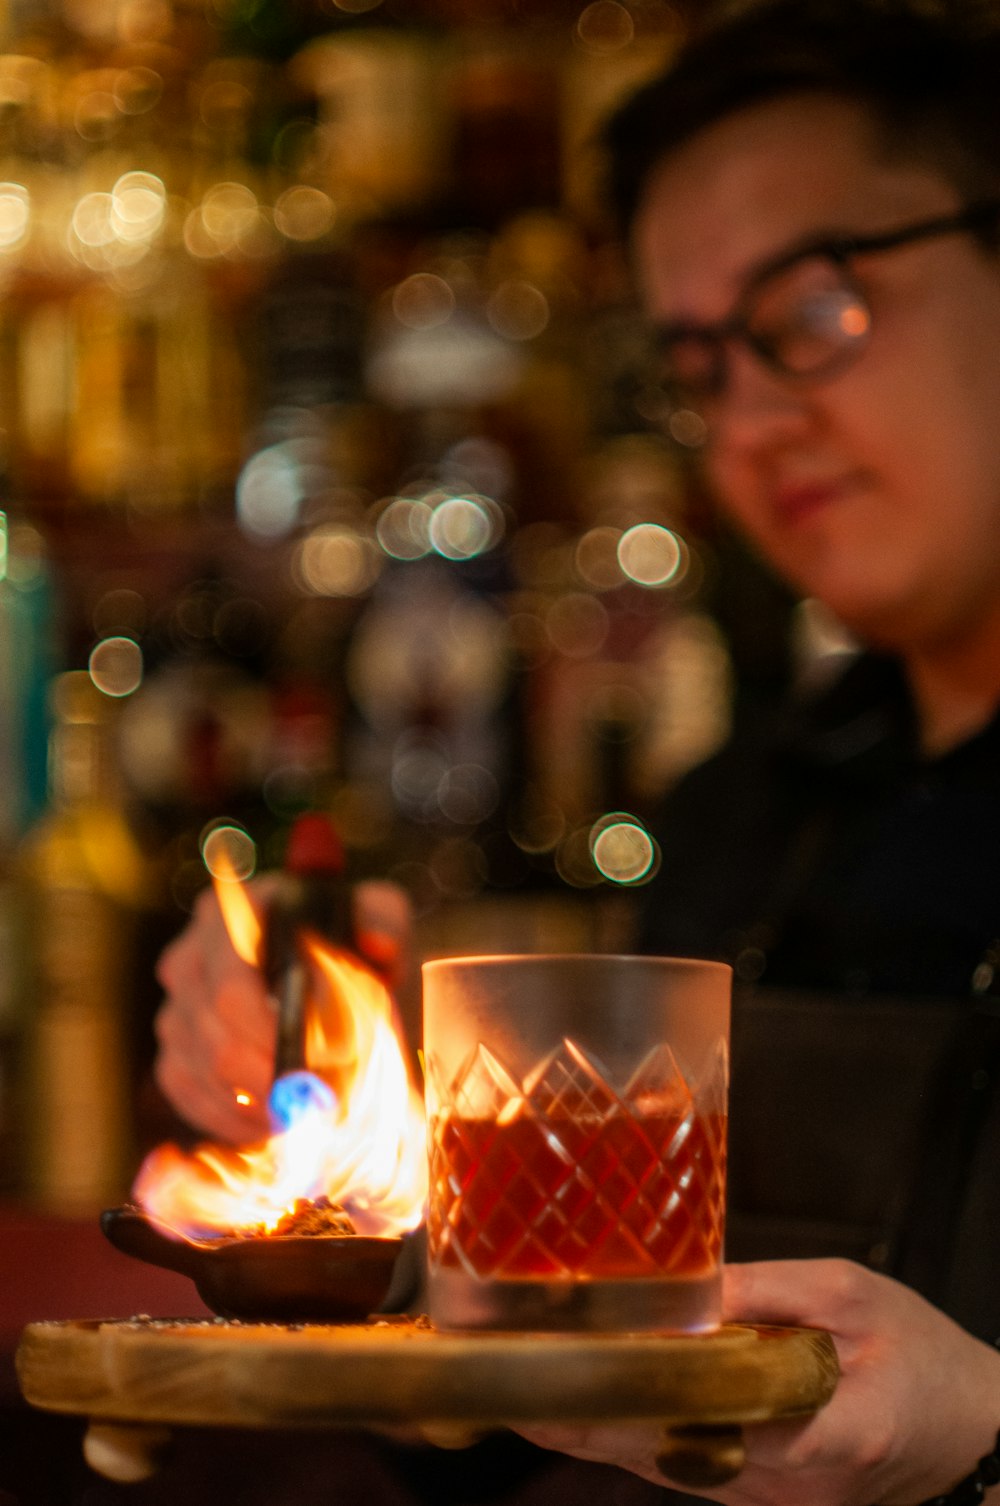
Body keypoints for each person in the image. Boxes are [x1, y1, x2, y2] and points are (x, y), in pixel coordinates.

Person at [152, 1, 1000, 1501]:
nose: (754, 418)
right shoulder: (749, 813)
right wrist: (366, 1122)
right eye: (700, 361)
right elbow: (559, 1406)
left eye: (811, 310)